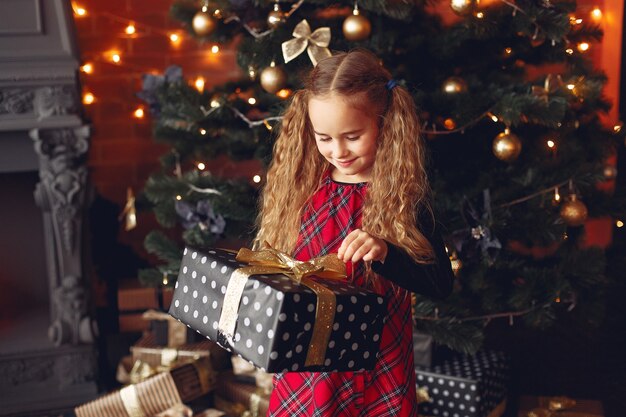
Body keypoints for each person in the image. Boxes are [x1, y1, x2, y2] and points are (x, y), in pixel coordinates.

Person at [254, 49, 455, 417]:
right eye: (324, 138)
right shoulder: (302, 187)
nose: (338, 151)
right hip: (308, 364)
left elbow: (440, 282)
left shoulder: (403, 196)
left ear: (384, 122)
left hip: (379, 366)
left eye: (352, 136)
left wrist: (385, 252)